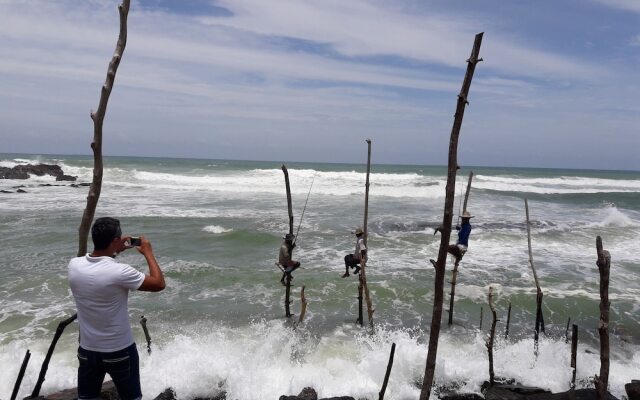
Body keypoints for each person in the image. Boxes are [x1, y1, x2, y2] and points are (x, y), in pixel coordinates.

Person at [68, 217, 165, 400]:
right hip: (119, 350)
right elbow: (159, 283)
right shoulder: (120, 271)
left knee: (87, 398)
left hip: (88, 350)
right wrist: (148, 253)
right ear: (114, 241)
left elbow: (98, 264)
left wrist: (114, 249)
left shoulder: (74, 265)